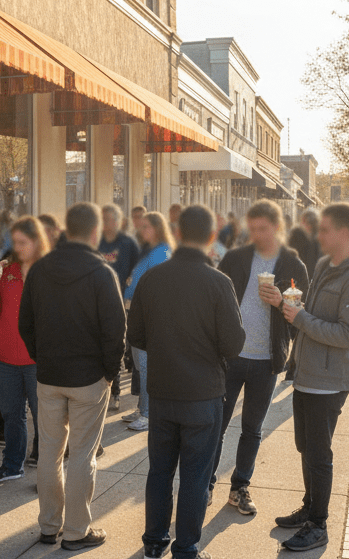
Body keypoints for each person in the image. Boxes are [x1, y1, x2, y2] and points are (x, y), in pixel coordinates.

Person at [127, 205, 246, 559]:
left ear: (177, 234)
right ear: (212, 238)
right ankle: (187, 547)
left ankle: (153, 541)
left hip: (163, 392)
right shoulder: (219, 283)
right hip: (203, 394)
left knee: (160, 470)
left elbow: (136, 334)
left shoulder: (153, 278)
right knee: (195, 474)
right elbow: (233, 344)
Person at [19, 203, 124, 549]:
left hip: (49, 376)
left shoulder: (40, 269)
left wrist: (41, 357)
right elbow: (115, 331)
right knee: (81, 455)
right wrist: (109, 374)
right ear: (94, 233)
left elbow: (26, 324)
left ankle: (49, 526)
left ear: (67, 229)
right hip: (88, 379)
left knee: (49, 453)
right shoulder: (101, 272)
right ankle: (77, 532)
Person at [277, 203, 349, 552]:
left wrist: (300, 318)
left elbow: (347, 335)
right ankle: (309, 506)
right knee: (305, 447)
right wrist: (290, 304)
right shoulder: (323, 265)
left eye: (324, 230)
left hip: (329, 381)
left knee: (319, 453)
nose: (317, 235)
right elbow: (313, 312)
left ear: (343, 233)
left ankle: (318, 524)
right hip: (307, 373)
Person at [210, 200, 308, 517]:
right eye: (252, 229)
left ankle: (240, 487)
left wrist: (281, 302)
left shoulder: (294, 266)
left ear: (277, 227)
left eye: (262, 229)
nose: (256, 235)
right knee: (217, 425)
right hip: (231, 357)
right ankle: (205, 484)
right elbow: (216, 303)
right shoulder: (236, 258)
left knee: (252, 428)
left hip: (266, 361)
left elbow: (302, 316)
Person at [0, 216, 50, 483]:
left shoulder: (48, 270)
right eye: (15, 241)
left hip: (37, 358)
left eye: (23, 242)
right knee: (11, 415)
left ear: (36, 241)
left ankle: (47, 474)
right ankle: (12, 465)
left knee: (44, 419)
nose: (17, 247)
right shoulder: (6, 270)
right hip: (6, 357)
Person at [121, 212, 175, 432]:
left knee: (145, 366)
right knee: (139, 365)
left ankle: (148, 413)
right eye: (140, 226)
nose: (141, 230)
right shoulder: (148, 251)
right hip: (135, 312)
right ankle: (142, 406)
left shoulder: (161, 252)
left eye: (146, 227)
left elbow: (159, 287)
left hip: (148, 316)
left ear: (157, 228)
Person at [98, 205, 140, 412]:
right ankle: (101, 388)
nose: (105, 223)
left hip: (120, 302)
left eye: (108, 219)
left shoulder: (127, 243)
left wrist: (131, 289)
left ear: (117, 221)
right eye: (102, 219)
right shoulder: (96, 241)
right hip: (95, 302)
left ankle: (115, 392)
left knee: (114, 344)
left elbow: (138, 268)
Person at [288, 209, 322, 279]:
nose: (308, 226)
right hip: (298, 279)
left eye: (311, 223)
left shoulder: (320, 240)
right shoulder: (295, 237)